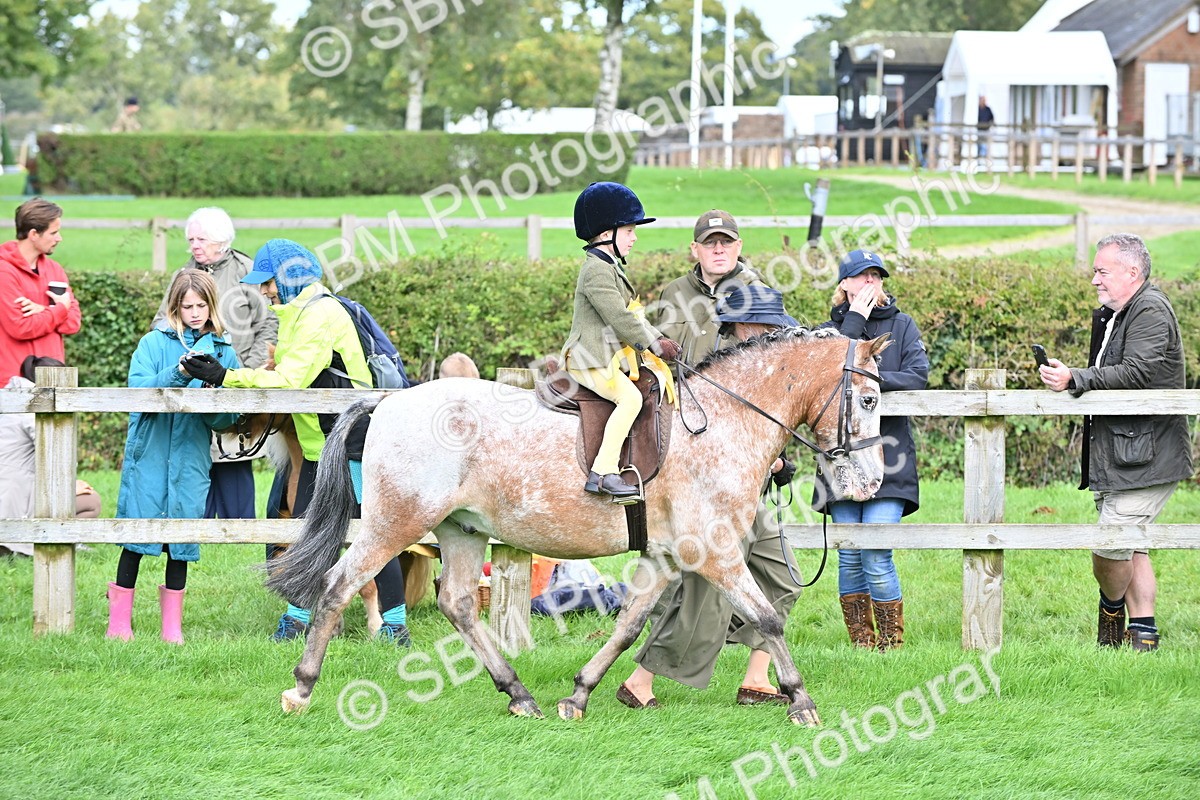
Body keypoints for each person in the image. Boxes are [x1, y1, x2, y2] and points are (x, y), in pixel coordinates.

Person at [180, 239, 412, 645]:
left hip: (352, 444)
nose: (263, 291)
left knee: (373, 534)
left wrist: (226, 377)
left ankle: (394, 626)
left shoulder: (319, 315)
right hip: (318, 446)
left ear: (289, 279)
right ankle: (297, 620)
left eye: (268, 282)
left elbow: (290, 379)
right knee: (307, 532)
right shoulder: (297, 313)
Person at [620, 281, 803, 709]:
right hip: (708, 496)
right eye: (766, 326)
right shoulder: (720, 367)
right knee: (704, 600)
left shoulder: (764, 366)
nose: (773, 334)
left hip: (748, 494)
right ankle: (640, 682)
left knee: (784, 577)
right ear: (743, 325)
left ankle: (756, 680)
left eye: (775, 326)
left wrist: (776, 462)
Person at [1039, 233, 1192, 652]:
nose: (1094, 280)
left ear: (1132, 272)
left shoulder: (1149, 309)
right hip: (1128, 453)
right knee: (1132, 544)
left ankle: (1110, 617)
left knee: (1111, 546)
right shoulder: (1123, 312)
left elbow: (1138, 372)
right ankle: (1143, 635)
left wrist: (1076, 377)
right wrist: (1074, 376)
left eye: (1102, 271)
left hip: (1146, 454)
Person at [105, 271, 241, 643]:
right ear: (174, 307)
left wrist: (215, 389)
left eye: (201, 305)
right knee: (136, 535)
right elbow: (138, 391)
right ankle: (119, 626)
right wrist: (179, 372)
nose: (195, 313)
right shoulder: (152, 343)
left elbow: (228, 419)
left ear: (212, 306)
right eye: (187, 306)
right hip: (149, 452)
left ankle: (172, 630)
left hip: (191, 456)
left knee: (181, 540)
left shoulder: (224, 351)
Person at [816, 249, 928, 651]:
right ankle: (861, 644)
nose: (871, 283)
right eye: (862, 276)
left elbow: (917, 376)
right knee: (849, 554)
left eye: (876, 276)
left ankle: (891, 645)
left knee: (876, 551)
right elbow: (829, 375)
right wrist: (855, 322)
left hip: (889, 455)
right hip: (840, 456)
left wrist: (867, 378)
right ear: (844, 284)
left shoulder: (902, 324)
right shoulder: (828, 332)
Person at [152, 208, 277, 530]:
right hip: (192, 382)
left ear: (221, 240)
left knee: (234, 453)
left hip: (237, 379)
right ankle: (199, 526)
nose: (194, 245)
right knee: (197, 453)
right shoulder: (184, 274)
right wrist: (181, 362)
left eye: (201, 239)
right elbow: (162, 321)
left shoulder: (246, 270)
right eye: (190, 239)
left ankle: (240, 529)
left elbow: (268, 324)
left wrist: (242, 371)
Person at [561, 181, 679, 502]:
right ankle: (603, 471)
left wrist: (659, 339)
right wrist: (653, 345)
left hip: (605, 357)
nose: (634, 237)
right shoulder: (596, 272)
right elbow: (619, 317)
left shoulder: (608, 268)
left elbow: (633, 315)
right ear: (606, 233)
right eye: (629, 230)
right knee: (630, 400)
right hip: (589, 357)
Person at [0, 356, 101, 557]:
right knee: (92, 501)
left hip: (12, 487)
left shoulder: (11, 398)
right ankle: (55, 541)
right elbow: (54, 456)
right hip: (15, 496)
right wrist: (70, 485)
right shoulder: (34, 406)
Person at [653, 209, 767, 363]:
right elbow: (658, 357)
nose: (719, 250)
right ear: (695, 249)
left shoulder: (759, 294)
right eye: (709, 242)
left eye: (727, 242)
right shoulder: (674, 291)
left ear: (739, 246)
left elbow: (777, 362)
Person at [0, 198, 81, 385]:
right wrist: (60, 309)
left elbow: (73, 323)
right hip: (15, 383)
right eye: (53, 233)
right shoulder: (4, 272)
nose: (59, 238)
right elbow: (20, 327)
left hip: (54, 379)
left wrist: (42, 309)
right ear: (34, 234)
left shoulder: (55, 270)